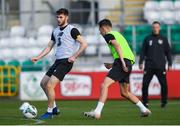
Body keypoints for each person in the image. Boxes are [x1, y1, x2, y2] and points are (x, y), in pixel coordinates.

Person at [83, 19, 151, 119]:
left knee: (104, 85)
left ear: (104, 28)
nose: (100, 32)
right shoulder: (117, 34)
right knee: (124, 92)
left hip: (122, 63)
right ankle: (144, 109)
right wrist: (114, 64)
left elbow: (117, 46)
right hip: (128, 64)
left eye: (100, 30)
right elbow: (122, 50)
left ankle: (97, 112)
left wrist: (122, 63)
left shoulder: (108, 35)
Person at [31, 8, 87, 119]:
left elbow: (84, 43)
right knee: (43, 84)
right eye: (57, 17)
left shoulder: (72, 30)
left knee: (50, 85)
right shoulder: (55, 31)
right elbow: (49, 47)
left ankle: (49, 112)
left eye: (61, 17)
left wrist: (74, 56)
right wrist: (38, 57)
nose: (58, 19)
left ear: (67, 17)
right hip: (57, 61)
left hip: (66, 62)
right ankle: (55, 108)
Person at [139, 21, 172, 108]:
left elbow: (168, 52)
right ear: (152, 28)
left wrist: (170, 63)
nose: (155, 29)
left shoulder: (164, 39)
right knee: (145, 84)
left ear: (159, 28)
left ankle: (164, 102)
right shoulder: (147, 38)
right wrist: (140, 62)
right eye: (154, 27)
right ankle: (145, 102)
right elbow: (143, 52)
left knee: (164, 84)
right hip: (149, 66)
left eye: (157, 27)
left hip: (160, 66)